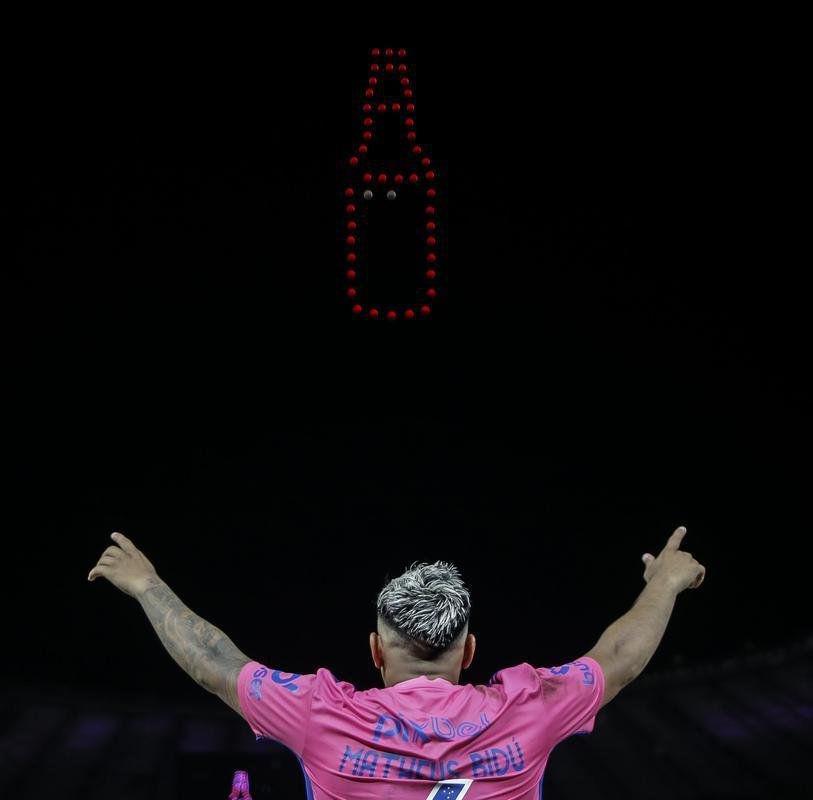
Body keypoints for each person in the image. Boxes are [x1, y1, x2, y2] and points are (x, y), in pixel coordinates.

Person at [88, 526, 705, 799]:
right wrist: (667, 584)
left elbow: (214, 662)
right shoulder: (531, 707)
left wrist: (147, 585)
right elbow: (619, 656)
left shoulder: (317, 713)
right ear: (469, 651)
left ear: (375, 650)